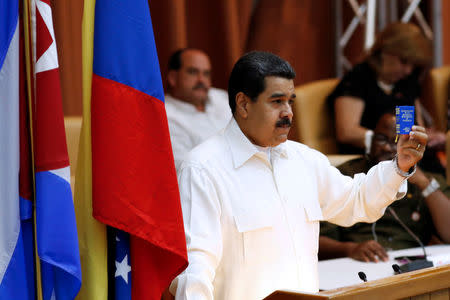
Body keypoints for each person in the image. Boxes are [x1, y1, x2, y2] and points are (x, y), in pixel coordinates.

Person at [169, 51, 427, 299]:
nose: (288, 113)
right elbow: (194, 270)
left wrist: (399, 166)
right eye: (277, 101)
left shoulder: (304, 160)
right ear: (244, 104)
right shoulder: (202, 169)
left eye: (290, 101)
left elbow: (357, 200)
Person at [319, 113, 450, 262]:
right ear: (371, 140)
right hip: (356, 263)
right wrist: (350, 249)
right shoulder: (344, 175)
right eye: (381, 139)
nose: (387, 147)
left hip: (409, 264)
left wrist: (424, 184)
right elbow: (314, 240)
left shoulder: (427, 180)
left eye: (397, 141)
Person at [327, 22, 443, 155]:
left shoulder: (407, 82)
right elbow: (347, 132)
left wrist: (426, 136)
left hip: (409, 156)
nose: (408, 70)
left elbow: (414, 126)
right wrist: (390, 140)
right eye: (404, 61)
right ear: (385, 52)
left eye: (413, 64)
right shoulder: (357, 79)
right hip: (374, 159)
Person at [165, 48, 231, 169]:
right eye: (193, 72)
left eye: (206, 74)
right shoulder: (166, 117)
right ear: (173, 78)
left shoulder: (222, 98)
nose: (201, 80)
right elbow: (187, 170)